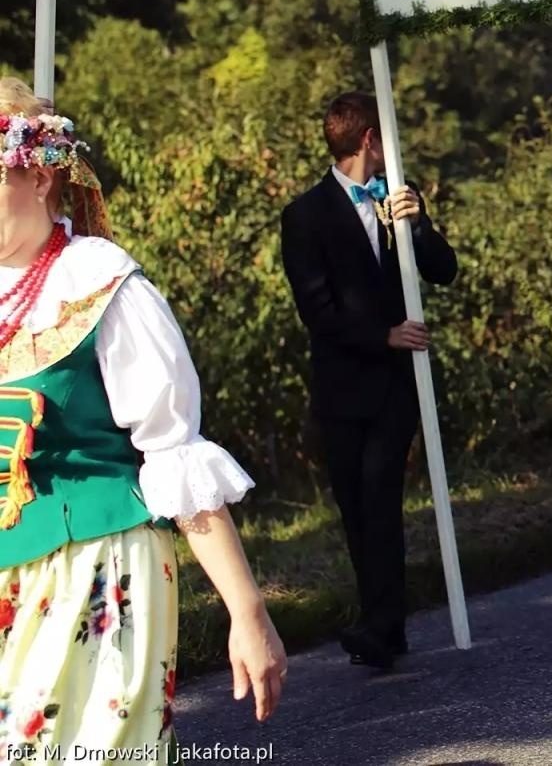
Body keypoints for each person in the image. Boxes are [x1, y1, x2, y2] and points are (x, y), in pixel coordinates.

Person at [0, 79, 286, 755]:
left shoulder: (98, 282)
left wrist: (249, 613)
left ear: (39, 176)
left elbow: (174, 452)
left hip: (98, 572)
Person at [280, 92, 459, 670]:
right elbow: (317, 308)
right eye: (386, 137)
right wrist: (383, 334)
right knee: (355, 506)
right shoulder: (305, 215)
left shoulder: (399, 199)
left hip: (393, 390)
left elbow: (444, 271)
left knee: (380, 494)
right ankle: (385, 621)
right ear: (366, 141)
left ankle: (381, 626)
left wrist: (421, 224)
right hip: (341, 384)